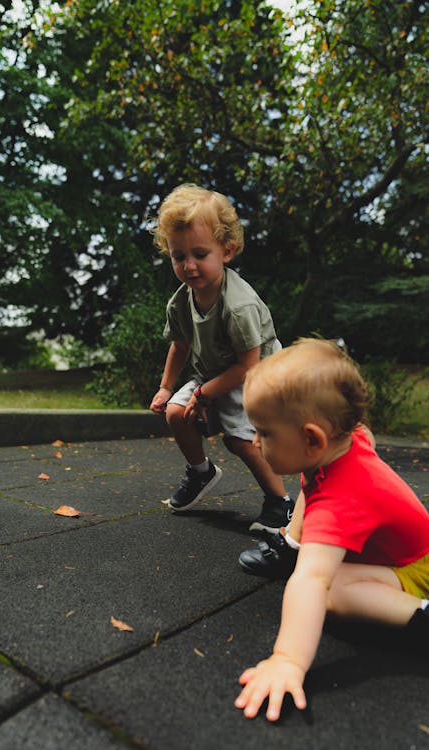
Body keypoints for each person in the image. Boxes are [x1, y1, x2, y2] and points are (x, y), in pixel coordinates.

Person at [234, 338, 429, 722]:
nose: (255, 442)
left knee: (334, 590)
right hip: (410, 548)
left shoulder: (339, 499)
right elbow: (365, 436)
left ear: (312, 439)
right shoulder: (344, 440)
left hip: (417, 567)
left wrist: (287, 660)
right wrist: (295, 539)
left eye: (265, 432)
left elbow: (311, 581)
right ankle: (289, 543)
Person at [149, 183, 294, 532]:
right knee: (175, 414)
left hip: (258, 375)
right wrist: (166, 387)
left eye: (200, 254)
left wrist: (203, 395)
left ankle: (280, 503)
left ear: (226, 252)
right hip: (214, 373)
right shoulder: (181, 301)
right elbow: (180, 345)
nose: (189, 265)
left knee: (240, 439)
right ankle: (201, 472)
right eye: (178, 256)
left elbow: (247, 366)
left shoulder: (238, 305)